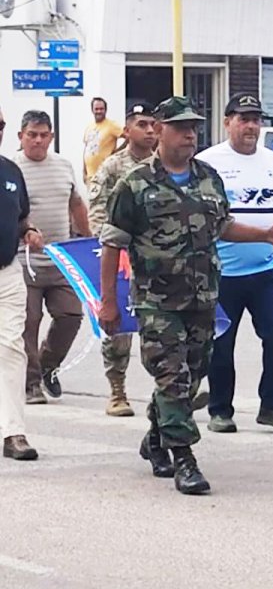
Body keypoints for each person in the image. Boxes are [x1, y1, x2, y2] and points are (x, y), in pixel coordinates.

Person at [98, 96, 273, 495]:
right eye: (180, 127)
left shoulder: (207, 177)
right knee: (172, 376)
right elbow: (112, 242)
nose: (189, 135)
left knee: (192, 375)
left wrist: (265, 234)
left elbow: (222, 226)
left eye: (194, 128)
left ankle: (156, 438)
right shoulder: (135, 183)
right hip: (157, 301)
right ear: (159, 131)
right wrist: (109, 302)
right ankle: (184, 458)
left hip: (202, 298)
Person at [196, 93, 273, 433]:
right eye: (243, 119)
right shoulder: (207, 163)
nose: (251, 126)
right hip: (222, 272)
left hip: (266, 270)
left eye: (256, 120)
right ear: (227, 122)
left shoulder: (272, 162)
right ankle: (220, 410)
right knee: (221, 344)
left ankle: (272, 405)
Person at [14, 110, 90, 405]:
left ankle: (48, 365)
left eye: (43, 135)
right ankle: (31, 383)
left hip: (61, 260)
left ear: (51, 137)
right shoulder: (12, 169)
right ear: (21, 136)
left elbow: (76, 204)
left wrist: (88, 239)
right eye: (32, 135)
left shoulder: (64, 166)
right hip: (24, 261)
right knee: (28, 322)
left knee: (71, 316)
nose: (38, 140)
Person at [88, 102, 158, 417]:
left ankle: (168, 393)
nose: (149, 130)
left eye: (153, 125)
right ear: (127, 131)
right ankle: (117, 391)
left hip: (156, 257)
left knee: (161, 327)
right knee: (118, 327)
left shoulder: (164, 165)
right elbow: (97, 211)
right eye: (142, 125)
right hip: (121, 256)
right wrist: (110, 248)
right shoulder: (113, 167)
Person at [0, 105, 43, 461]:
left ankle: (13, 433)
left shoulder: (11, 171)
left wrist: (29, 231)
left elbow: (21, 216)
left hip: (7, 271)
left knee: (12, 349)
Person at [83, 97, 123, 183]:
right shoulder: (89, 127)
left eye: (101, 109)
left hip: (106, 175)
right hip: (91, 177)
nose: (99, 111)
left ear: (106, 110)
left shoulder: (112, 125)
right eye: (96, 109)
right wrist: (84, 172)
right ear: (92, 110)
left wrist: (117, 153)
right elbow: (86, 149)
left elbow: (129, 137)